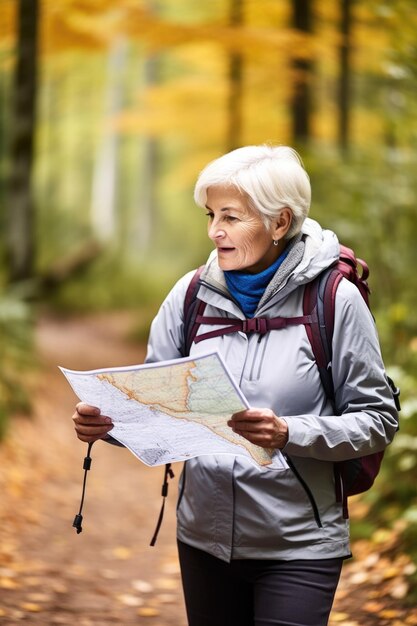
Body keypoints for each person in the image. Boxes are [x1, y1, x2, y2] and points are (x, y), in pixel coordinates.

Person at [73, 145, 399, 626]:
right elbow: (158, 407)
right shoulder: (189, 295)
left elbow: (377, 420)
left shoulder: (335, 301)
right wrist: (111, 423)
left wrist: (289, 432)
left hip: (299, 543)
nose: (214, 231)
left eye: (230, 217)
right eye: (210, 215)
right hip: (203, 539)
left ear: (280, 222)